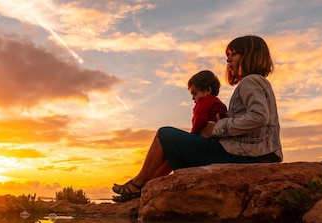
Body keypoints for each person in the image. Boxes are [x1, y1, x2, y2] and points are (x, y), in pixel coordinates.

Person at [112, 35, 282, 203]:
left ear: (250, 56)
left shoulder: (249, 81)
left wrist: (219, 126)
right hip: (253, 153)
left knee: (165, 134)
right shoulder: (259, 82)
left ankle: (138, 183)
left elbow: (259, 116)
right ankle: (144, 186)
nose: (228, 60)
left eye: (234, 54)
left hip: (245, 156)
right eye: (227, 56)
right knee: (174, 145)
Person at [188, 70, 227, 135]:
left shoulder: (203, 101)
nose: (193, 98)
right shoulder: (219, 104)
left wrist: (193, 134)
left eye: (195, 94)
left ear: (208, 90)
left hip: (205, 137)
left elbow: (200, 119)